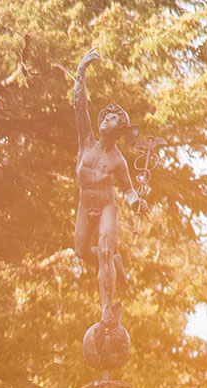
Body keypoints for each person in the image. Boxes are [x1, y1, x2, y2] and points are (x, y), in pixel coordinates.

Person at [73, 49, 144, 326]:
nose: (105, 119)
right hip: (84, 205)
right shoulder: (85, 142)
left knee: (103, 248)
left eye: (113, 118)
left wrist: (136, 202)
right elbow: (80, 108)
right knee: (81, 251)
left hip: (106, 208)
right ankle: (115, 262)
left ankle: (106, 309)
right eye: (106, 115)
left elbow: (127, 190)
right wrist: (81, 73)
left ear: (119, 128)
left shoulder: (118, 160)